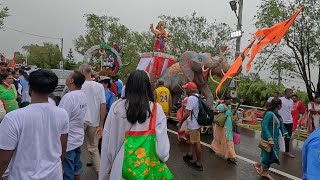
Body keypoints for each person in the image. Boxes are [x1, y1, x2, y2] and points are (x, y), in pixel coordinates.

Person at [99, 70, 170, 180]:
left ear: (128, 86)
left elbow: (109, 145)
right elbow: (162, 151)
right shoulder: (156, 109)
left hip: (121, 169)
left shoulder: (116, 107)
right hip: (147, 171)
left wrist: (105, 173)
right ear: (147, 87)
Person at [0, 69, 69, 179]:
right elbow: (63, 145)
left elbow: (4, 159)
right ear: (52, 90)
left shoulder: (13, 118)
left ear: (30, 89)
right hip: (53, 174)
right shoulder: (62, 114)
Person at [58, 71, 87, 180]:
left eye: (68, 77)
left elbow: (61, 119)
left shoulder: (69, 97)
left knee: (67, 170)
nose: (66, 78)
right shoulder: (82, 94)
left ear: (71, 80)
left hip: (68, 140)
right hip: (78, 137)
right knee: (76, 167)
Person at [79, 64, 106, 174]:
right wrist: (101, 124)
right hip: (94, 122)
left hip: (80, 120)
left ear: (81, 72)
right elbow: (103, 105)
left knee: (75, 147)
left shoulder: (79, 85)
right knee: (94, 148)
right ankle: (100, 173)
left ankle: (75, 172)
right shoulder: (99, 86)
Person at [254, 98, 289, 180]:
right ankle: (264, 172)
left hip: (275, 138)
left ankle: (259, 165)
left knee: (273, 155)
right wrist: (269, 138)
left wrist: (285, 133)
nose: (281, 106)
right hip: (268, 138)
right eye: (281, 105)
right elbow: (264, 126)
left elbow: (281, 125)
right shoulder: (269, 114)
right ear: (278, 105)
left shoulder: (278, 115)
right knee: (268, 156)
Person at [177, 82, 203, 171]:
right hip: (196, 124)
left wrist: (180, 122)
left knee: (196, 142)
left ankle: (199, 163)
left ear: (190, 89)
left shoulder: (191, 98)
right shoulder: (198, 97)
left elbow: (187, 113)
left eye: (186, 88)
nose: (185, 90)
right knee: (189, 137)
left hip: (193, 125)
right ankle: (190, 154)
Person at [211, 95, 237, 164]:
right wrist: (222, 111)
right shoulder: (221, 106)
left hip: (228, 125)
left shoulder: (229, 107)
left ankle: (214, 147)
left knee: (226, 138)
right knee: (227, 139)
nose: (230, 102)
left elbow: (229, 115)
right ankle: (230, 155)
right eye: (229, 100)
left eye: (231, 101)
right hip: (223, 125)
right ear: (225, 100)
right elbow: (214, 112)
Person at [97, 76, 116, 154]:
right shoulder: (97, 92)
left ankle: (101, 154)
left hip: (106, 117)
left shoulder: (111, 95)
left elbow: (111, 108)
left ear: (106, 84)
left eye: (101, 83)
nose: (100, 85)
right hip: (96, 116)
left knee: (103, 137)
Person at [278, 88, 295, 158]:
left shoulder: (291, 101)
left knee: (288, 136)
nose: (291, 93)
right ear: (286, 93)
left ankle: (286, 151)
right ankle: (274, 149)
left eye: (292, 92)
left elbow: (290, 110)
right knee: (278, 135)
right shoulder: (281, 100)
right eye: (290, 92)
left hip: (289, 121)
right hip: (281, 121)